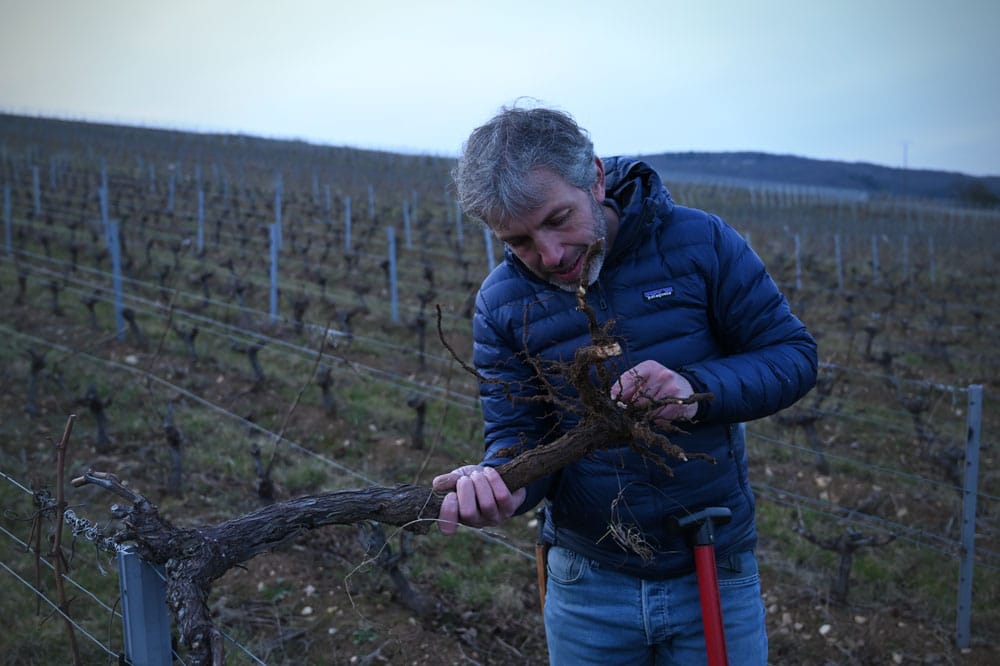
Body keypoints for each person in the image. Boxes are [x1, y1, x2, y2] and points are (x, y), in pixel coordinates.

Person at [432, 103, 818, 665]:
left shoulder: (700, 242)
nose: (551, 255)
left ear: (593, 175)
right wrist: (506, 482)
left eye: (559, 219)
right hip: (588, 583)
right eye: (517, 241)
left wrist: (695, 389)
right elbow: (519, 435)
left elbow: (793, 356)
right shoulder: (502, 303)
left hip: (712, 561)